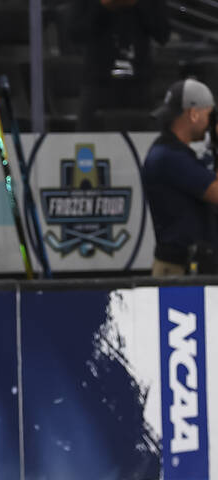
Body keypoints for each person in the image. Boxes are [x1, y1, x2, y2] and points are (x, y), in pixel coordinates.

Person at [144, 78, 218, 277]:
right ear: (194, 114)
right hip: (178, 269)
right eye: (209, 115)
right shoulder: (170, 157)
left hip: (189, 265)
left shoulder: (173, 152)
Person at [67, 0, 169, 131]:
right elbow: (75, 33)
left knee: (144, 142)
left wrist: (138, 4)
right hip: (98, 81)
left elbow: (163, 34)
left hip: (139, 81)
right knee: (88, 142)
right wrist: (103, 6)